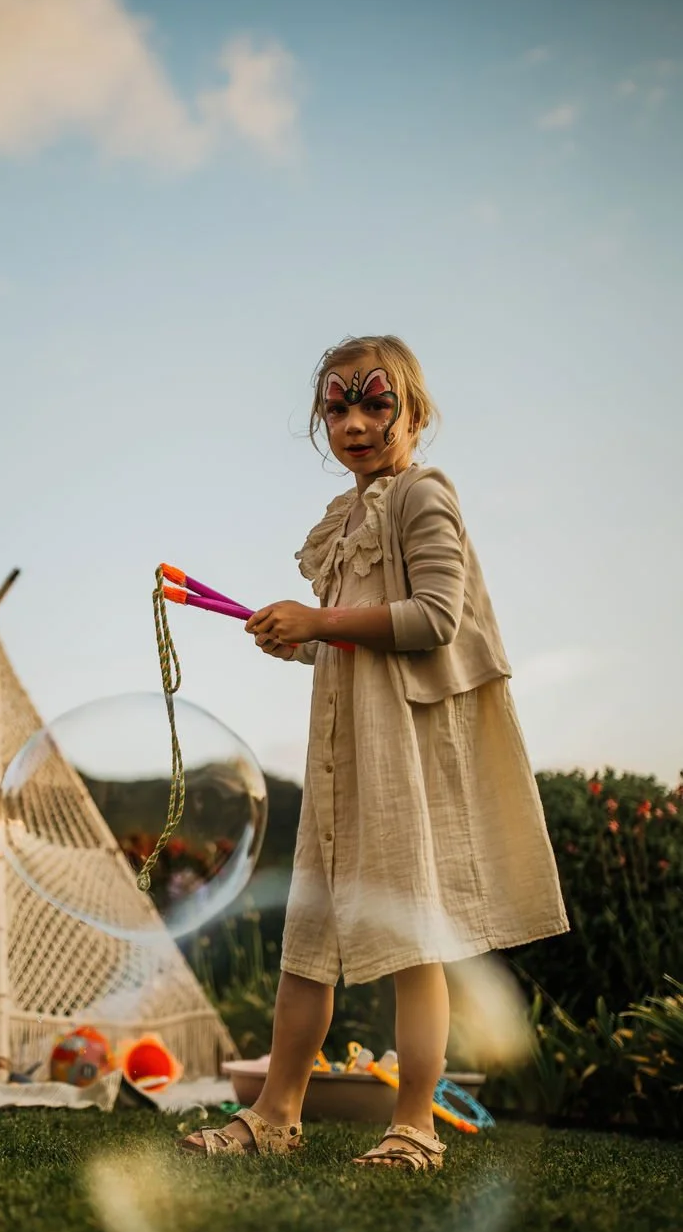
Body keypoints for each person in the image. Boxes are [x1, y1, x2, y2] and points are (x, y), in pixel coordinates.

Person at [181, 335, 568, 1170]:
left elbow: (432, 617)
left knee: (411, 940)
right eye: (336, 408)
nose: (354, 423)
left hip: (402, 766)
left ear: (414, 414)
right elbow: (362, 644)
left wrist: (318, 620)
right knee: (307, 941)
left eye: (374, 403)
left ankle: (415, 1128)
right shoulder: (347, 519)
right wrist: (301, 640)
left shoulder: (423, 496)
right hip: (343, 759)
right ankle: (274, 1114)